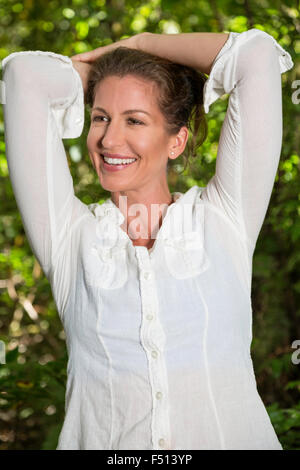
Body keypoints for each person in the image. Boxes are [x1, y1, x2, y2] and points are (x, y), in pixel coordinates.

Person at [0, 29, 293, 450]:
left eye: (134, 120)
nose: (108, 139)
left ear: (177, 141)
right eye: (100, 117)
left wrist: (142, 44)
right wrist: (110, 75)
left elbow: (257, 56)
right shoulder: (70, 239)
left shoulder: (224, 221)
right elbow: (25, 75)